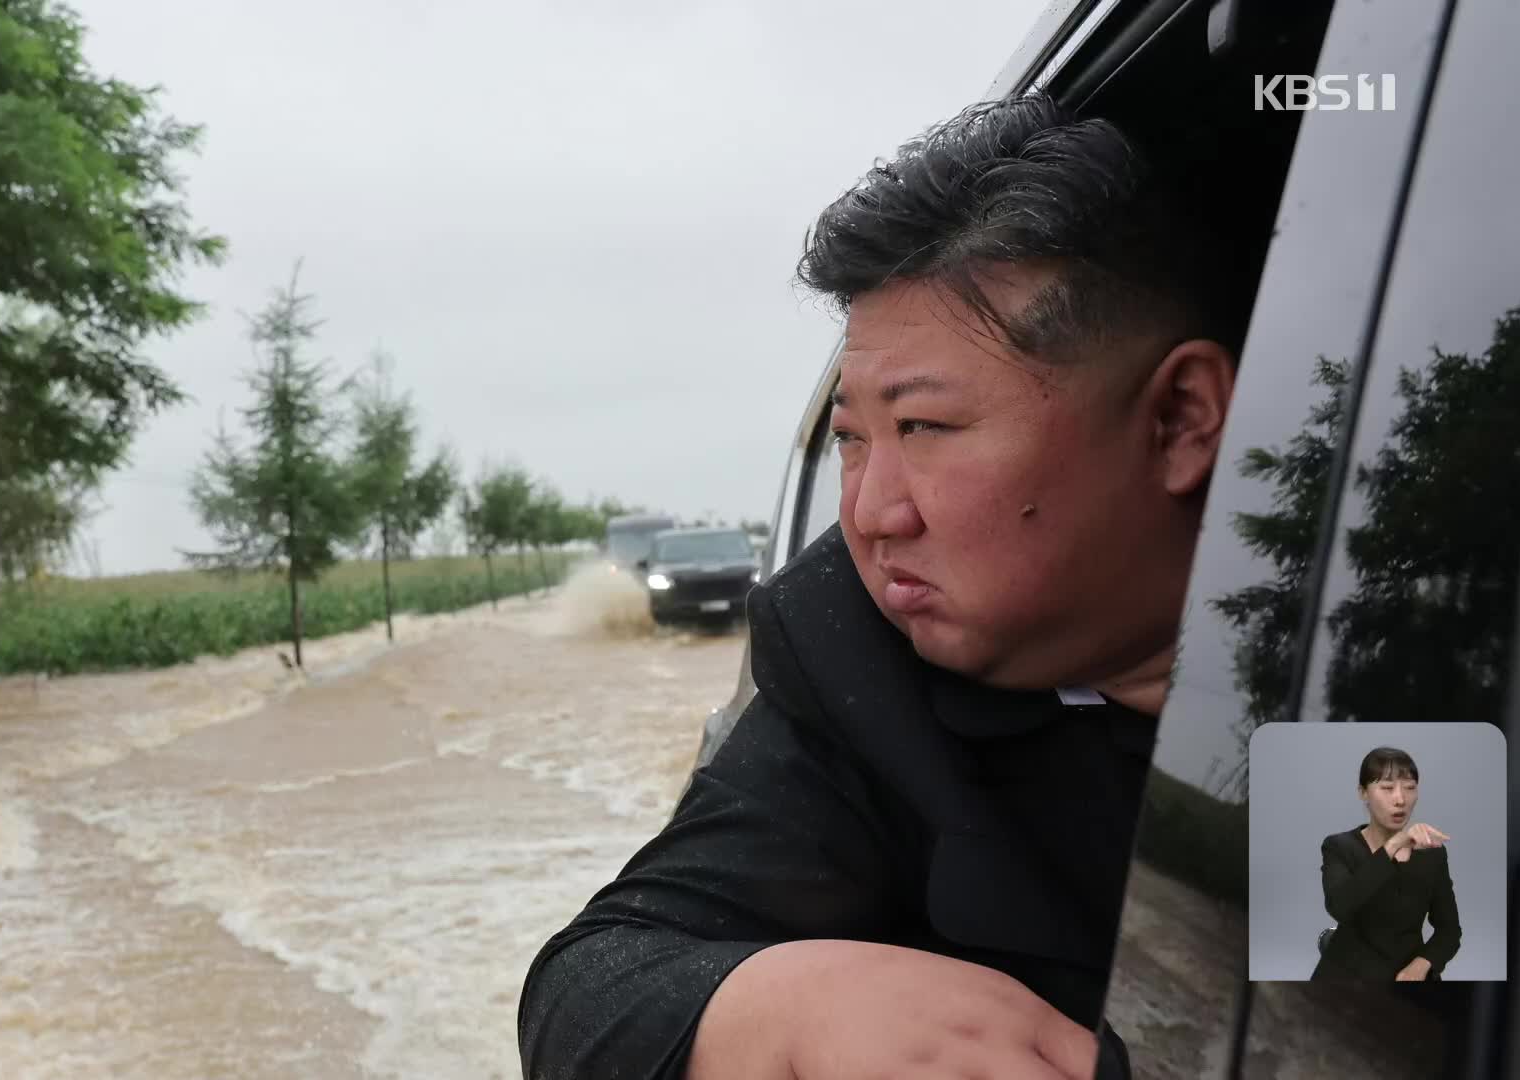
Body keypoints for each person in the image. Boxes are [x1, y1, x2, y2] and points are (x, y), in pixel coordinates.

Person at [517, 93, 1247, 1080]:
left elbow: (1380, 996)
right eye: (854, 442)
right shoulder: (855, 658)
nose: (870, 513)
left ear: (1179, 423)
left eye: (925, 429)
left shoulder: (1393, 659)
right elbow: (592, 985)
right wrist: (788, 1009)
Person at [1311, 747, 1462, 982]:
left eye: (1410, 788)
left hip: (1406, 981)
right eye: (1387, 788)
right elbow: (1339, 906)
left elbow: (1450, 931)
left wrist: (1422, 965)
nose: (1400, 799)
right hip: (1345, 980)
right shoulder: (1339, 846)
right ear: (1363, 793)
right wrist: (1395, 844)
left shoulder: (1432, 855)